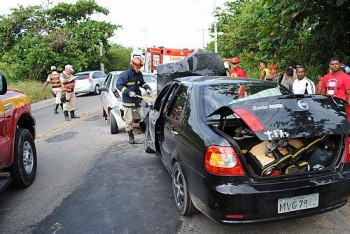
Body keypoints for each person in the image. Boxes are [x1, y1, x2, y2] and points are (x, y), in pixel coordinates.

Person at [116, 57, 152, 144]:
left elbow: (142, 83)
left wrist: (147, 88)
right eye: (137, 68)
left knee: (144, 116)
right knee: (129, 120)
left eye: (140, 68)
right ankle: (130, 135)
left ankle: (147, 133)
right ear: (132, 65)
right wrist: (128, 92)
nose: (138, 69)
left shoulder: (139, 74)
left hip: (137, 100)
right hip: (128, 101)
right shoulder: (125, 75)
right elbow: (119, 85)